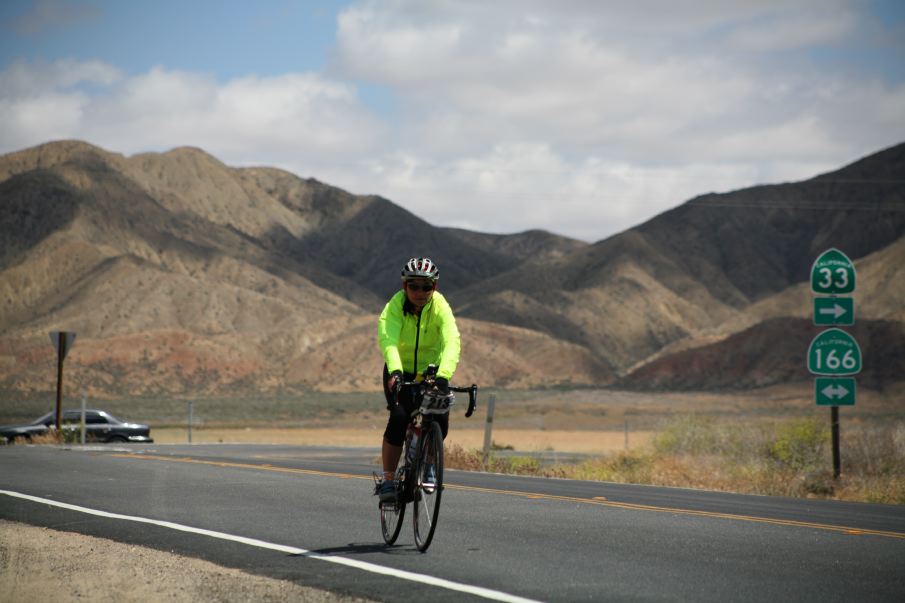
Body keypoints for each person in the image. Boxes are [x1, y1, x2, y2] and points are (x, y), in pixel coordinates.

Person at [375, 257, 460, 502]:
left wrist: (443, 376)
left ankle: (429, 464)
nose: (420, 292)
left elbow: (452, 340)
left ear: (435, 287)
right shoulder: (394, 306)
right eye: (414, 286)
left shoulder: (440, 307)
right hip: (399, 370)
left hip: (431, 373)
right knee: (400, 417)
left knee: (439, 419)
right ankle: (388, 480)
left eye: (427, 287)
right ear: (405, 286)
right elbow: (388, 341)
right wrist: (396, 372)